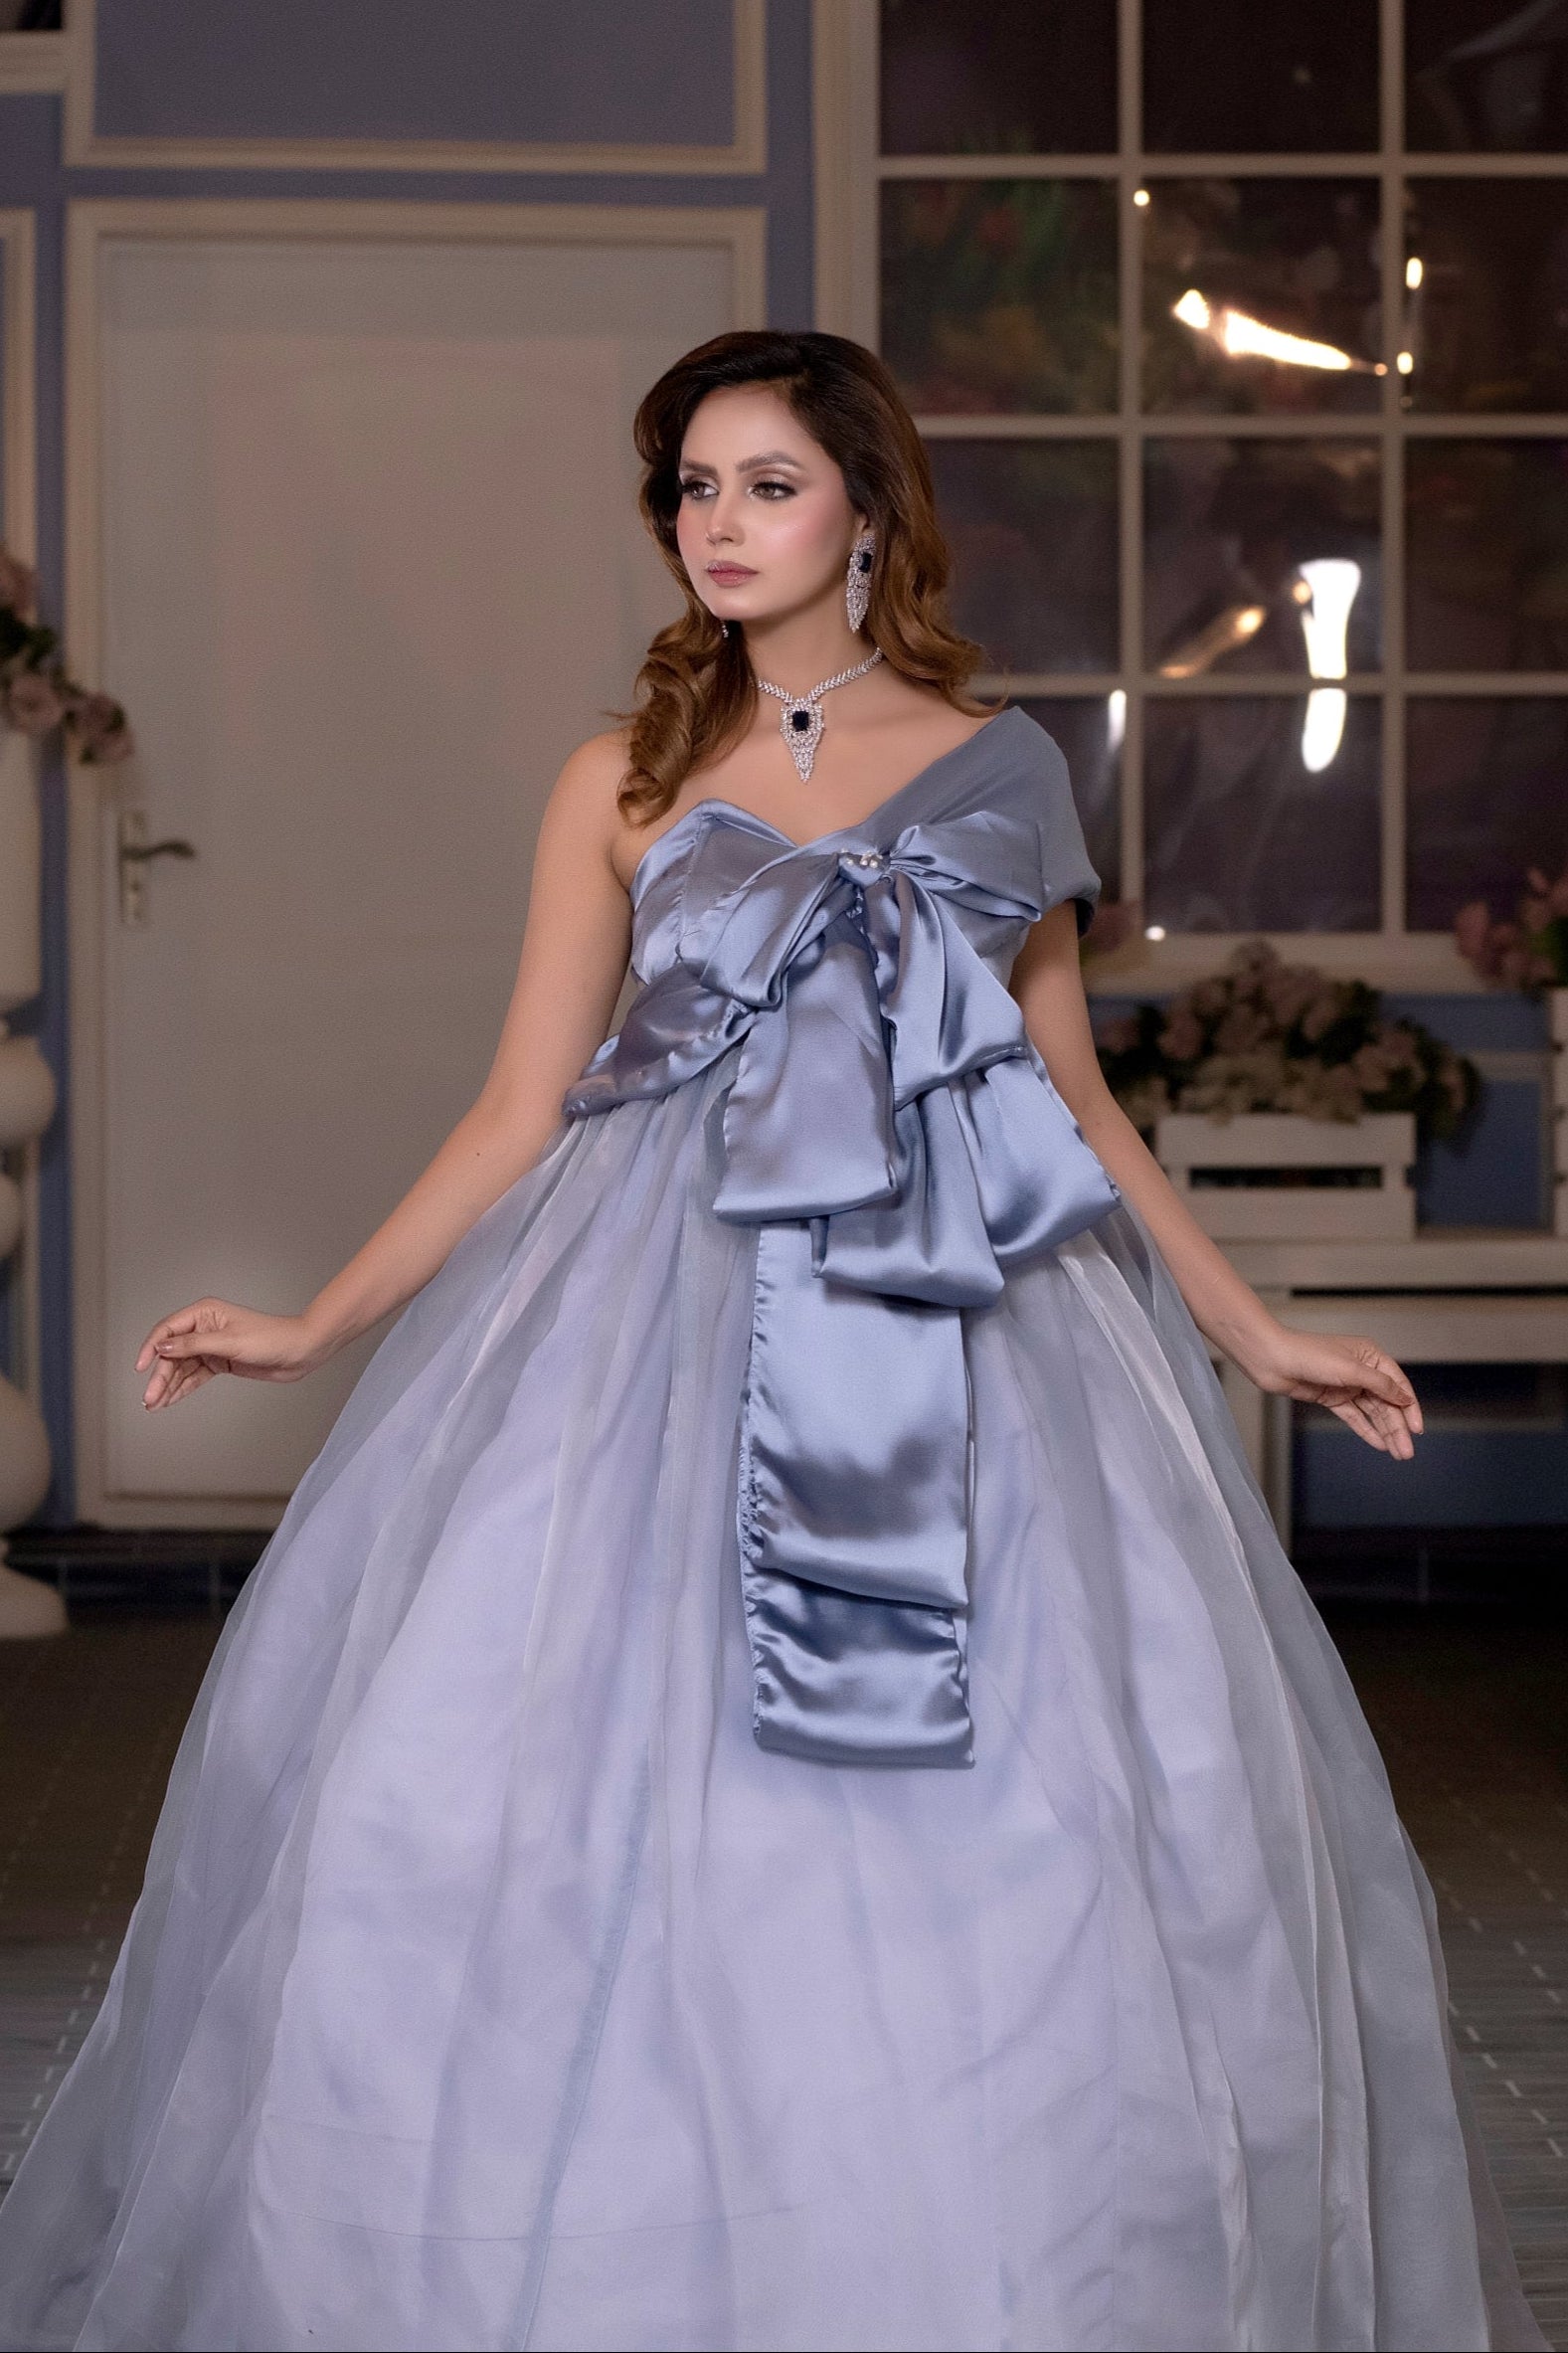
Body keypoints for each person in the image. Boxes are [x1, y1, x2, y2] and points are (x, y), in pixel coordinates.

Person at [0, 330, 1544, 2353]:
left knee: (1048, 1788)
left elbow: (1073, 1095)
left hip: (959, 1307)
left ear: (867, 511)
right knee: (533, 1783)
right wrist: (318, 1323)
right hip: (648, 1304)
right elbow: (516, 1105)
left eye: (765, 485)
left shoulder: (1003, 767)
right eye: (691, 490)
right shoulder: (620, 779)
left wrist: (1254, 1327)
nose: (718, 526)